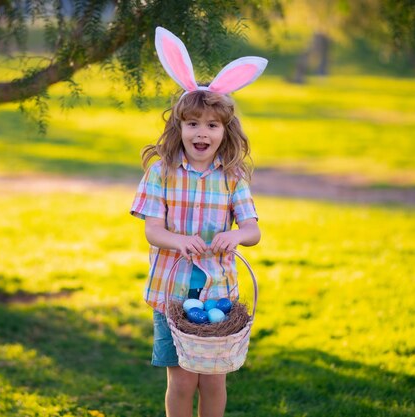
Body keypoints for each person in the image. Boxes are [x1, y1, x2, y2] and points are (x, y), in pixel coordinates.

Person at [130, 27, 267, 417]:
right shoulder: (162, 172)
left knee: (212, 380)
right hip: (170, 292)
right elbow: (152, 230)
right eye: (192, 124)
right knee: (181, 380)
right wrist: (179, 240)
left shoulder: (232, 178)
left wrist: (235, 233)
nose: (201, 132)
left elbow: (253, 231)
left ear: (225, 132)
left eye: (211, 125)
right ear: (179, 128)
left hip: (218, 291)